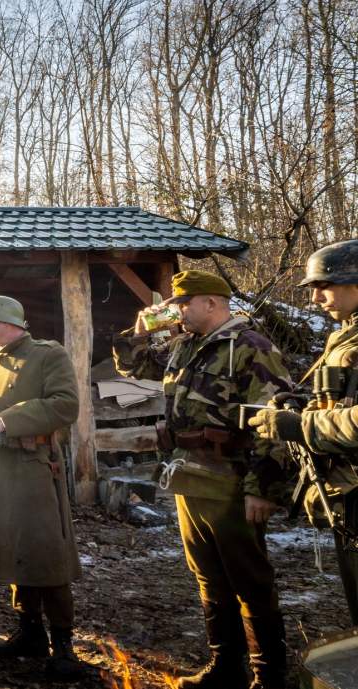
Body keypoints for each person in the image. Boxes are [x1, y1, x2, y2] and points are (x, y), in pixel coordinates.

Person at [114, 270, 292, 689]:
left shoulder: (250, 348)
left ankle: (270, 677)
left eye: (182, 303)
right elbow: (133, 364)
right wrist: (139, 332)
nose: (176, 311)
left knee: (249, 578)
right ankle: (225, 669)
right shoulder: (186, 345)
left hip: (231, 478)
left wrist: (262, 488)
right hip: (189, 475)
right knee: (208, 575)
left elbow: (276, 420)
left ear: (210, 302)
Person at [0, 296, 83, 681]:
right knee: (15, 550)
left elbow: (66, 405)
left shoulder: (48, 354)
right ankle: (30, 632)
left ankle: (63, 644)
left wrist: (8, 419)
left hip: (32, 468)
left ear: (4, 321)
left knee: (46, 553)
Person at [249, 238, 358, 625]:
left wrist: (299, 425)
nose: (315, 298)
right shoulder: (345, 336)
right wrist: (299, 407)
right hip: (348, 494)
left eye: (323, 286)